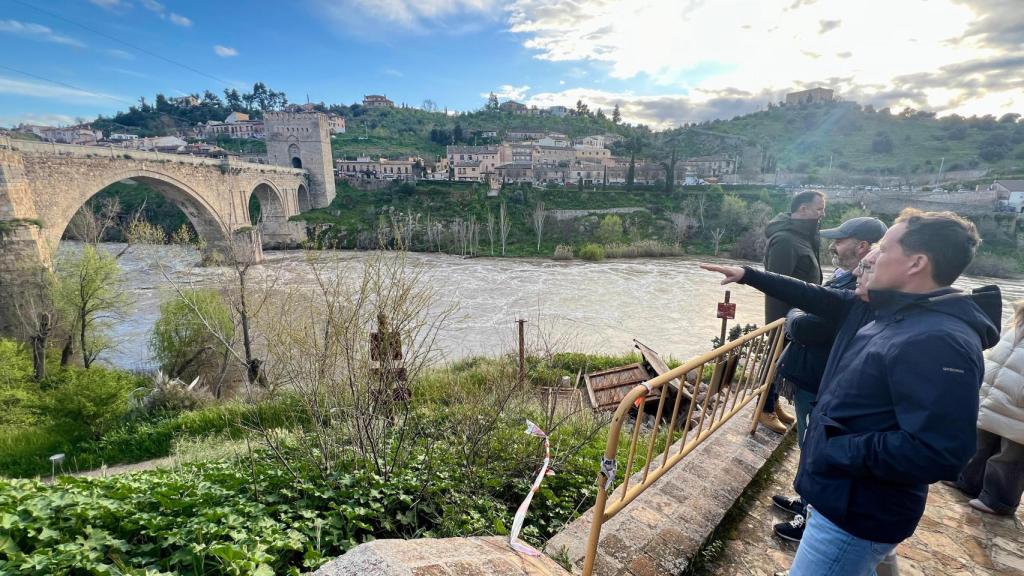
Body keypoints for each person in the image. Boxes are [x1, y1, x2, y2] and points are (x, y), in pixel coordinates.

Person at [702, 208, 1001, 576]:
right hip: (845, 496)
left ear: (916, 263)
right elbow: (814, 297)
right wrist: (750, 276)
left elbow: (940, 451)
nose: (872, 255)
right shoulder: (894, 313)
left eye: (885, 247)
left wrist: (836, 448)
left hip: (854, 510)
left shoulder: (938, 340)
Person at [771, 217, 887, 543]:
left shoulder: (858, 290)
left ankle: (808, 516)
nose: (833, 245)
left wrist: (793, 317)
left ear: (862, 246)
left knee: (813, 446)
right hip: (811, 375)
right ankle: (806, 502)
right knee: (807, 445)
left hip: (817, 378)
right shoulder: (846, 280)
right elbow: (805, 309)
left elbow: (807, 325)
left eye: (840, 240)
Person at [948, 299, 1024, 516]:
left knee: (1011, 454)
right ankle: (967, 481)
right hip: (997, 389)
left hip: (1018, 400)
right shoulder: (1019, 314)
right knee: (981, 440)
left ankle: (999, 499)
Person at [759, 190, 827, 433]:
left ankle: (773, 402)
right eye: (819, 208)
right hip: (785, 317)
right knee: (776, 360)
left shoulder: (805, 237)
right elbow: (776, 284)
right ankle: (763, 409)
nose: (822, 213)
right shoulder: (786, 240)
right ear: (803, 209)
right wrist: (781, 323)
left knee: (783, 362)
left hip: (799, 315)